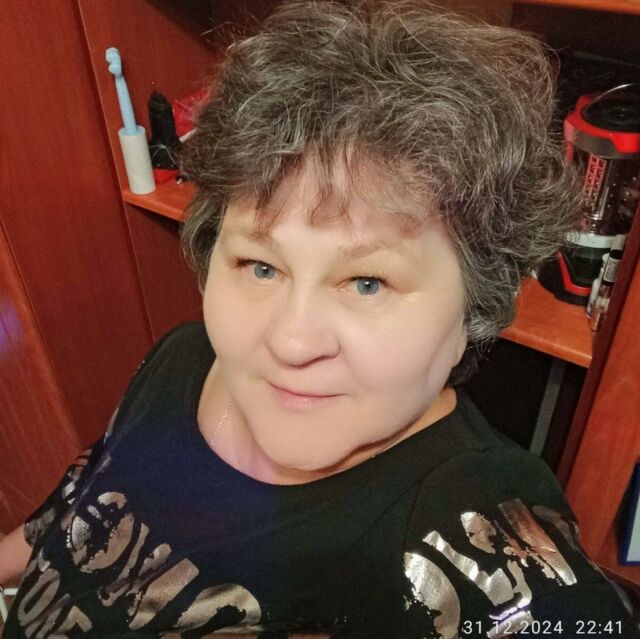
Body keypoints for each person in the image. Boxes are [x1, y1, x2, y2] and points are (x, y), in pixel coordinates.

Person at [1, 1, 638, 637]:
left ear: (476, 302)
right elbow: (71, 517)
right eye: (260, 266)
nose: (291, 340)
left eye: (367, 282)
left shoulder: (470, 537)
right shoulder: (182, 358)